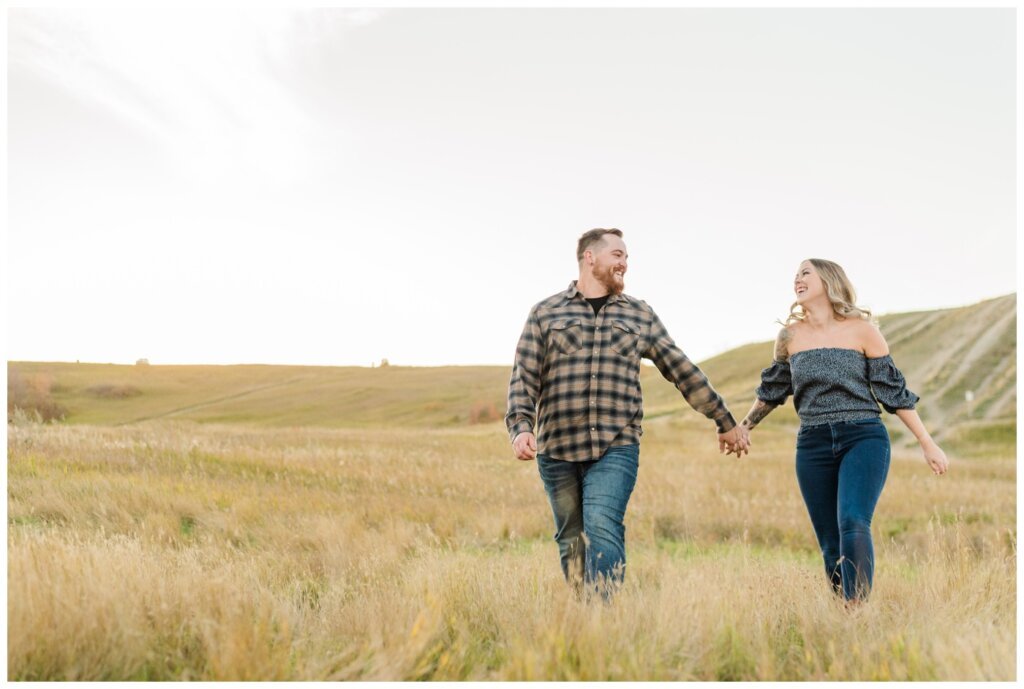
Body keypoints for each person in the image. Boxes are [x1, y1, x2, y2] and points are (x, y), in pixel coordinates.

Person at [505, 228, 749, 599]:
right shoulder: (546, 312)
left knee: (602, 525)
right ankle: (582, 610)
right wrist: (522, 427)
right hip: (557, 448)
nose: (624, 263)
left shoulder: (639, 314)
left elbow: (680, 368)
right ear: (590, 257)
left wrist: (724, 419)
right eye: (618, 255)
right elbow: (524, 376)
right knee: (571, 538)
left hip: (615, 445)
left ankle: (602, 620)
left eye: (626, 257)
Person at [737, 258, 949, 603]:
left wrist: (926, 442)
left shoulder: (862, 330)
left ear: (828, 279)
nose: (797, 279)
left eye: (805, 272)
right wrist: (743, 427)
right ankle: (843, 615)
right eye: (795, 275)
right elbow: (773, 390)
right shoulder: (790, 336)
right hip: (813, 443)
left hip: (863, 436)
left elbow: (892, 392)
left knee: (853, 520)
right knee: (829, 541)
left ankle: (857, 608)